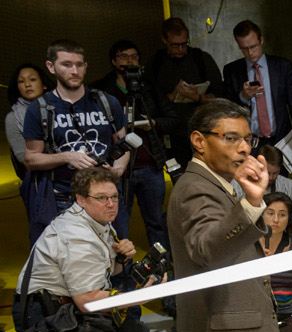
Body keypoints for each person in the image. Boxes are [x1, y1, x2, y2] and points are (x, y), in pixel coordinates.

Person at [169, 98, 282, 332]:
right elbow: (207, 250)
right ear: (199, 141)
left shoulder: (217, 181)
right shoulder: (195, 187)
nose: (244, 148)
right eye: (231, 138)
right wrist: (251, 203)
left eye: (247, 139)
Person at [18, 169, 153, 332]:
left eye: (114, 197)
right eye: (101, 198)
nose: (111, 204)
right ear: (80, 199)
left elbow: (100, 272)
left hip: (59, 305)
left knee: (130, 331)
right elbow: (88, 301)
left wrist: (122, 260)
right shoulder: (77, 235)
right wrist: (138, 296)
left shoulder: (94, 220)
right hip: (43, 313)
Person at [20, 41, 128, 247]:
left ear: (86, 66)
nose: (74, 71)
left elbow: (124, 145)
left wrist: (118, 170)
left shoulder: (106, 102)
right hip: (65, 198)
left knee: (119, 254)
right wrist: (67, 156)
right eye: (66, 64)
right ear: (51, 67)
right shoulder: (40, 109)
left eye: (79, 65)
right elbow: (31, 158)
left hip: (107, 195)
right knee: (71, 259)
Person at [101, 40, 166, 249]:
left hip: (150, 165)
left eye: (134, 56)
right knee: (119, 226)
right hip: (119, 170)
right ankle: (122, 273)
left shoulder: (150, 86)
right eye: (123, 56)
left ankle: (163, 263)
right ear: (113, 60)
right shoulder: (101, 91)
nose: (130, 61)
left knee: (156, 222)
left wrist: (153, 122)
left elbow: (172, 118)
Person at [221, 22, 292, 170]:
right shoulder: (231, 71)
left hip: (280, 141)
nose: (250, 52)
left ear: (261, 40)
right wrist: (243, 97)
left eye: (253, 46)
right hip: (248, 144)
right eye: (244, 49)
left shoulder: (283, 66)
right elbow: (226, 111)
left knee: (280, 188)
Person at [146, 19, 220, 169]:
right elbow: (148, 103)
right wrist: (172, 96)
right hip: (171, 133)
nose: (181, 49)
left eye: (184, 44)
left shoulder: (201, 59)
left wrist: (197, 97)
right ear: (164, 40)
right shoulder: (155, 63)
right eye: (175, 45)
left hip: (202, 128)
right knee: (178, 175)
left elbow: (221, 97)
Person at [261, 195, 292, 328]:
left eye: (282, 215)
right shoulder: (247, 245)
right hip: (254, 315)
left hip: (285, 315)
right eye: (270, 214)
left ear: (290, 219)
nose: (276, 220)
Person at [8, 64, 51, 195]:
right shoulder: (13, 118)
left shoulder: (61, 108)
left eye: (32, 79)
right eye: (21, 81)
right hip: (40, 184)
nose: (27, 84)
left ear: (44, 84)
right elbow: (25, 160)